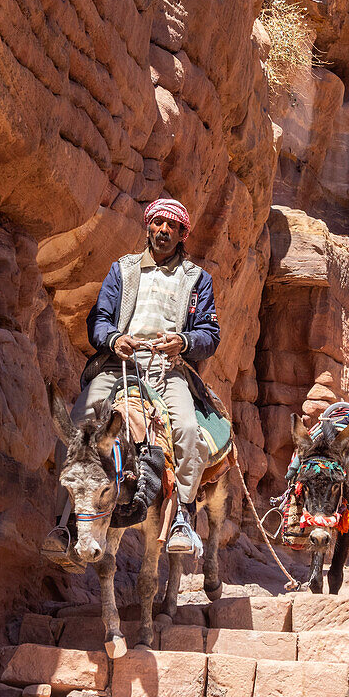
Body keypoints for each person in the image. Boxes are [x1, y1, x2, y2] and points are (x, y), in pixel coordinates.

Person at [69, 198, 220, 554]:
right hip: (118, 366)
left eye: (172, 226)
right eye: (157, 223)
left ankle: (183, 518)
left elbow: (209, 335)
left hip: (169, 369)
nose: (163, 230)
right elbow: (99, 320)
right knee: (79, 425)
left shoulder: (197, 279)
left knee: (185, 430)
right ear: (148, 226)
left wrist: (182, 341)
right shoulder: (123, 270)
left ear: (183, 234)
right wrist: (115, 339)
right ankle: (65, 522)